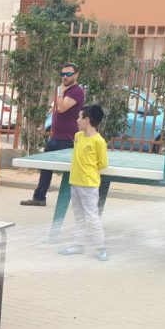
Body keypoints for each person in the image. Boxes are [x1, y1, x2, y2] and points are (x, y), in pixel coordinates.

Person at [22, 63, 85, 207]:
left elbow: (61, 108)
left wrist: (61, 92)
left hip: (68, 139)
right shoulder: (63, 90)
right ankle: (39, 197)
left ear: (76, 75)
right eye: (63, 74)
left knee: (71, 172)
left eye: (69, 74)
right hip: (55, 137)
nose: (65, 77)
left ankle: (76, 201)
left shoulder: (76, 91)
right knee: (46, 168)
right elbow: (57, 109)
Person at [59, 105, 109, 261]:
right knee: (79, 216)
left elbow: (103, 163)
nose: (77, 120)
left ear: (87, 120)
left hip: (88, 186)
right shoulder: (78, 136)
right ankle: (78, 245)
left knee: (92, 217)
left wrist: (88, 174)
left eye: (80, 117)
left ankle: (101, 248)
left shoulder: (99, 141)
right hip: (75, 182)